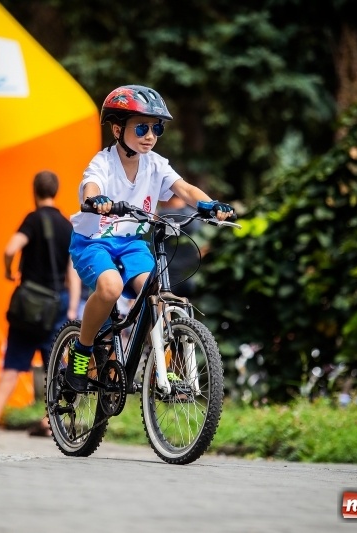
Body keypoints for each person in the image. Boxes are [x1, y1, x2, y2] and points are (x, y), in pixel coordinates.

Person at [66, 84, 235, 392]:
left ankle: (161, 364)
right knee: (110, 288)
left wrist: (209, 204)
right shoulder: (103, 163)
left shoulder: (155, 164)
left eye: (156, 128)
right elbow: (91, 187)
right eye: (141, 127)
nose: (150, 136)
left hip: (131, 243)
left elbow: (184, 189)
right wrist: (97, 200)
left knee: (154, 292)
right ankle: (83, 349)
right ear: (117, 129)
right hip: (94, 240)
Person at [0, 171, 79, 437]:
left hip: (31, 305)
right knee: (54, 364)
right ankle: (52, 422)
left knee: (14, 362)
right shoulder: (68, 225)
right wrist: (72, 308)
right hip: (59, 303)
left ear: (34, 190)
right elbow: (73, 270)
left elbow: (11, 248)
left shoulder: (34, 219)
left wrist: (7, 270)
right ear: (55, 191)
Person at [157, 195, 204, 299]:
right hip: (190, 274)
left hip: (171, 275)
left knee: (162, 303)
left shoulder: (164, 215)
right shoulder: (196, 217)